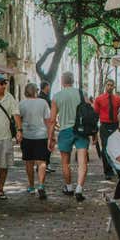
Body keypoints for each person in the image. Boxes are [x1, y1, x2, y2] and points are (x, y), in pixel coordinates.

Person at [49, 72, 90, 201]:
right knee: (82, 161)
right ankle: (79, 188)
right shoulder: (82, 94)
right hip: (81, 130)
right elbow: (90, 110)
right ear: (73, 81)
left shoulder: (57, 96)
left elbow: (52, 119)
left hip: (65, 130)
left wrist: (50, 137)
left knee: (65, 162)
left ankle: (69, 186)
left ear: (62, 81)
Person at [18, 83, 52, 199]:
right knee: (42, 161)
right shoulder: (43, 102)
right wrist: (51, 135)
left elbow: (19, 119)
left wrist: (20, 132)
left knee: (29, 162)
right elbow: (48, 120)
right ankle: (41, 185)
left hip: (27, 136)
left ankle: (31, 186)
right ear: (36, 91)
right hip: (41, 136)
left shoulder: (21, 103)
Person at [92, 79, 120, 179]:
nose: (110, 87)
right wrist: (94, 130)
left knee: (116, 148)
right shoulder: (99, 99)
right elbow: (95, 114)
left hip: (115, 125)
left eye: (111, 85)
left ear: (114, 87)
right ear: (105, 86)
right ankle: (107, 171)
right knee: (105, 148)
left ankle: (118, 169)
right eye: (108, 85)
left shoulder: (118, 99)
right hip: (104, 126)